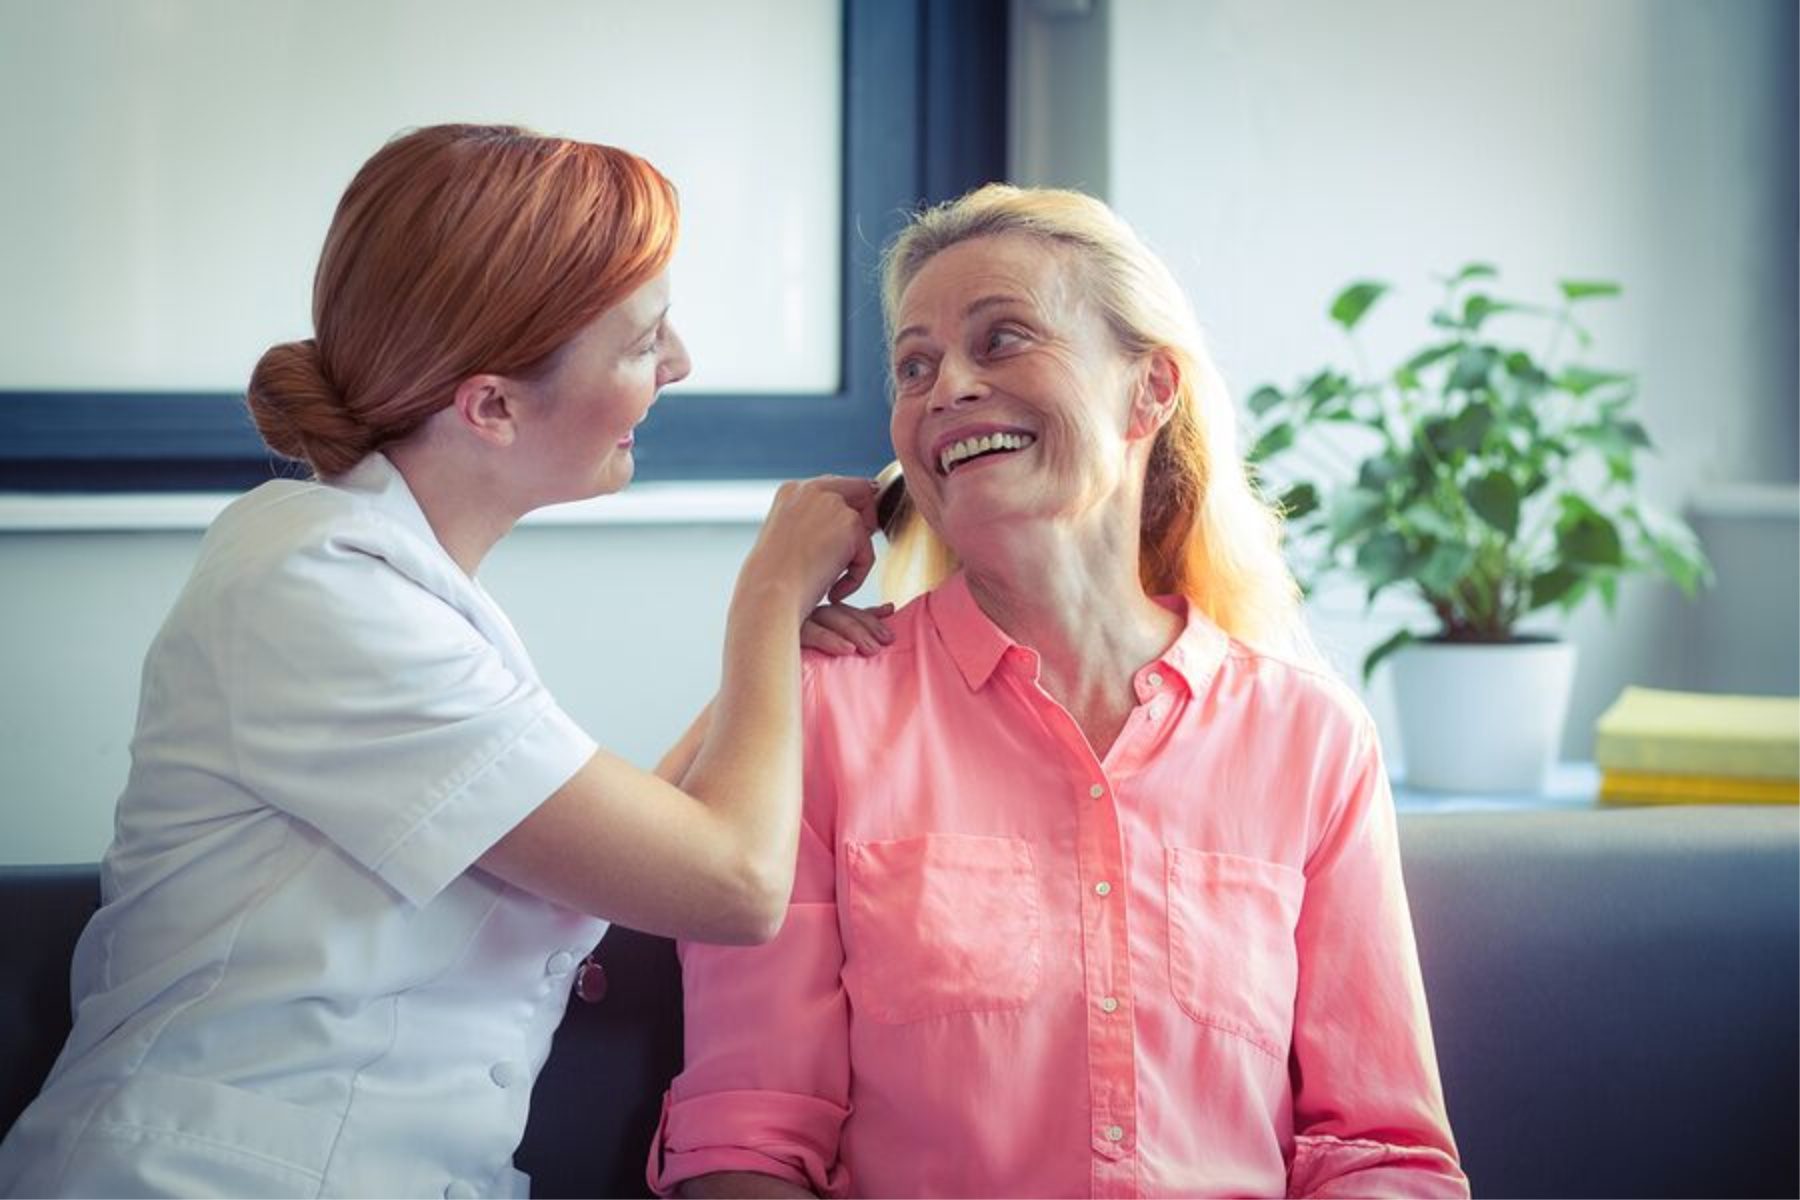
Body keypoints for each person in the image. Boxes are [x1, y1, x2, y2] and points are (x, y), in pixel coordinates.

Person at [0, 123, 881, 1199]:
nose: (681, 366)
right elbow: (731, 883)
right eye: (646, 341)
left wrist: (771, 662)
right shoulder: (318, 595)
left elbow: (613, 844)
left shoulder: (382, 584)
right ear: (492, 406)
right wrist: (762, 599)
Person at [649, 184, 1471, 1198]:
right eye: (915, 365)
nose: (946, 385)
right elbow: (748, 1145)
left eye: (1001, 341)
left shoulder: (1311, 736)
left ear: (1149, 390)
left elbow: (1382, 1153)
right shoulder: (825, 712)